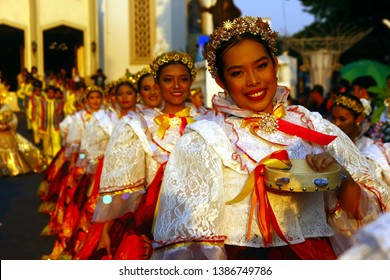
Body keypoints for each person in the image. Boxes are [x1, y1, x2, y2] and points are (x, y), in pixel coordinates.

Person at [151, 16, 387, 260]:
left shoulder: (314, 126)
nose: (253, 80)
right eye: (237, 72)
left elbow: (367, 216)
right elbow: (188, 243)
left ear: (275, 65)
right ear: (222, 80)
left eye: (261, 66)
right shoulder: (205, 138)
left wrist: (339, 176)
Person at [76, 51, 200, 260]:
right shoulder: (138, 125)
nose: (176, 86)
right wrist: (107, 227)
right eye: (168, 80)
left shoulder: (208, 119)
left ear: (191, 83)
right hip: (151, 221)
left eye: (183, 79)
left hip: (199, 221)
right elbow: (125, 188)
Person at [331, 93, 390, 210]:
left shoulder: (372, 149)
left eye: (342, 119)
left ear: (358, 119)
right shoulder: (329, 144)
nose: (335, 124)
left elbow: (376, 192)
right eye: (333, 118)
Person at [0, 86, 44, 177]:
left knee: (11, 151)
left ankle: (11, 169)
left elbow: (14, 119)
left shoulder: (6, 107)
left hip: (6, 134)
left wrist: (7, 125)